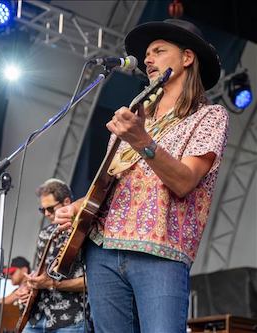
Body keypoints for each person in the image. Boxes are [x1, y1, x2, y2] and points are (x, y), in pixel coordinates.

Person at [53, 19, 229, 333]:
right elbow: (115, 183)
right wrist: (80, 205)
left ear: (187, 58)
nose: (148, 59)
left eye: (158, 51)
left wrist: (142, 139)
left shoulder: (209, 116)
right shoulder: (134, 115)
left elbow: (185, 181)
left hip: (160, 252)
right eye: (146, 54)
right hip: (103, 250)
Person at [22, 178, 90, 333]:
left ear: (66, 202)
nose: (46, 214)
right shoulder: (45, 234)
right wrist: (28, 286)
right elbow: (40, 273)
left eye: (50, 209)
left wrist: (53, 284)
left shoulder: (87, 233)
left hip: (72, 319)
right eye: (42, 210)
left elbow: (94, 281)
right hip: (37, 317)